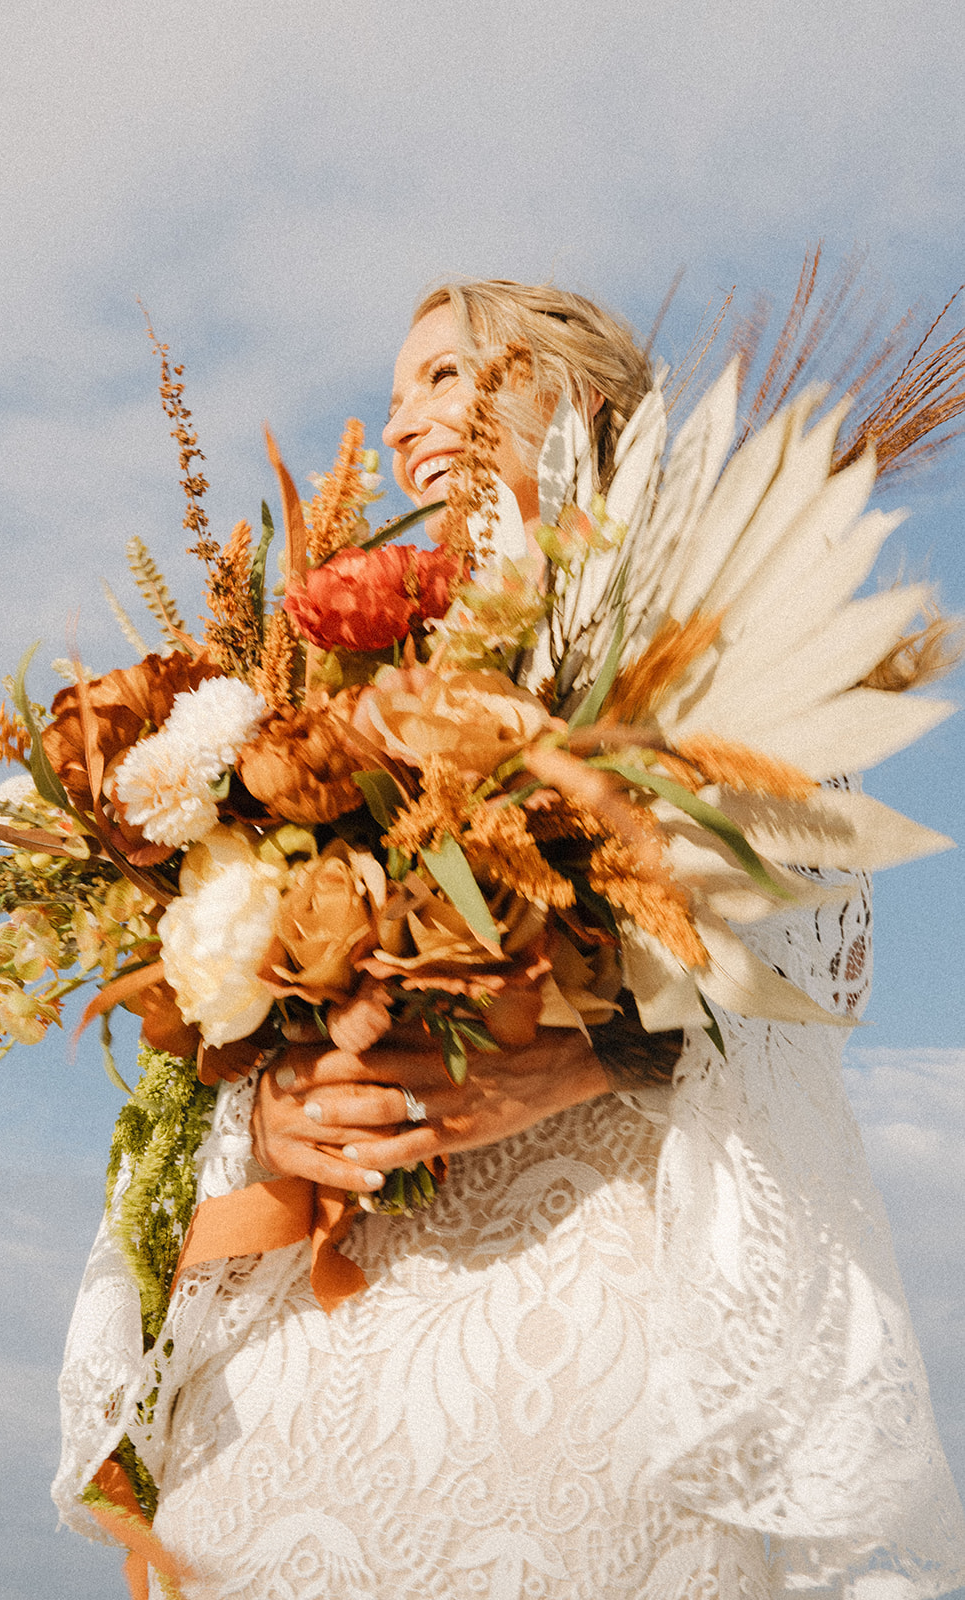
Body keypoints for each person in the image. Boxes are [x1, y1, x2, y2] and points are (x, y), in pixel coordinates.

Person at [54, 280, 965, 1599]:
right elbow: (225, 984)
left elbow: (819, 910)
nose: (412, 413)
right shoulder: (312, 679)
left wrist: (593, 1061)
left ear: (579, 402)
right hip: (319, 1332)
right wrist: (275, 1113)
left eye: (453, 374)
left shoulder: (693, 636)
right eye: (399, 387)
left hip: (583, 1307)